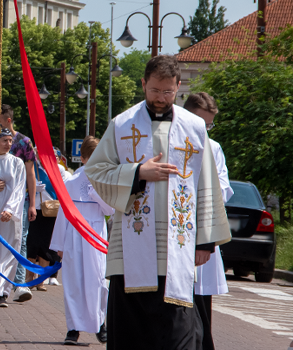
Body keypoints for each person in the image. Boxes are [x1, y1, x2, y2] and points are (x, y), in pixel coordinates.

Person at [84, 55, 231, 349]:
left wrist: (205, 241)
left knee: (178, 331)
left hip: (177, 245)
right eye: (154, 91)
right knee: (131, 331)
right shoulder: (121, 124)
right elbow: (96, 171)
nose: (160, 98)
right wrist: (138, 172)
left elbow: (207, 185)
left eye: (167, 91)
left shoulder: (194, 127)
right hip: (131, 246)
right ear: (143, 84)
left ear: (178, 87)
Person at [50, 136, 113, 345]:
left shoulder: (105, 180)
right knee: (73, 281)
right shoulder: (71, 181)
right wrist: (59, 245)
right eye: (91, 156)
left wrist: (97, 194)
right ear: (83, 158)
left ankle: (100, 324)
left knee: (97, 281)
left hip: (95, 235)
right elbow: (64, 214)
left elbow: (111, 211)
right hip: (75, 236)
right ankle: (73, 328)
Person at [184, 92, 234, 350]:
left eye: (209, 126)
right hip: (175, 230)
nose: (204, 130)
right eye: (201, 124)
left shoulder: (213, 148)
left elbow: (223, 188)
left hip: (201, 231)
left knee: (201, 310)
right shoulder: (172, 142)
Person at [0, 104, 37, 303]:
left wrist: (11, 209)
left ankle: (4, 291)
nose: (8, 144)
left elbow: (20, 188)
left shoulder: (16, 163)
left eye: (10, 140)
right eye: (4, 140)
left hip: (10, 215)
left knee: (9, 250)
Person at [25, 147, 68, 290]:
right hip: (35, 209)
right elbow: (22, 185)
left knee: (46, 246)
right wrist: (31, 188)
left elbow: (64, 186)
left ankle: (41, 280)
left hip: (52, 210)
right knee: (32, 243)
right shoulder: (33, 168)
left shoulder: (58, 169)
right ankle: (29, 277)